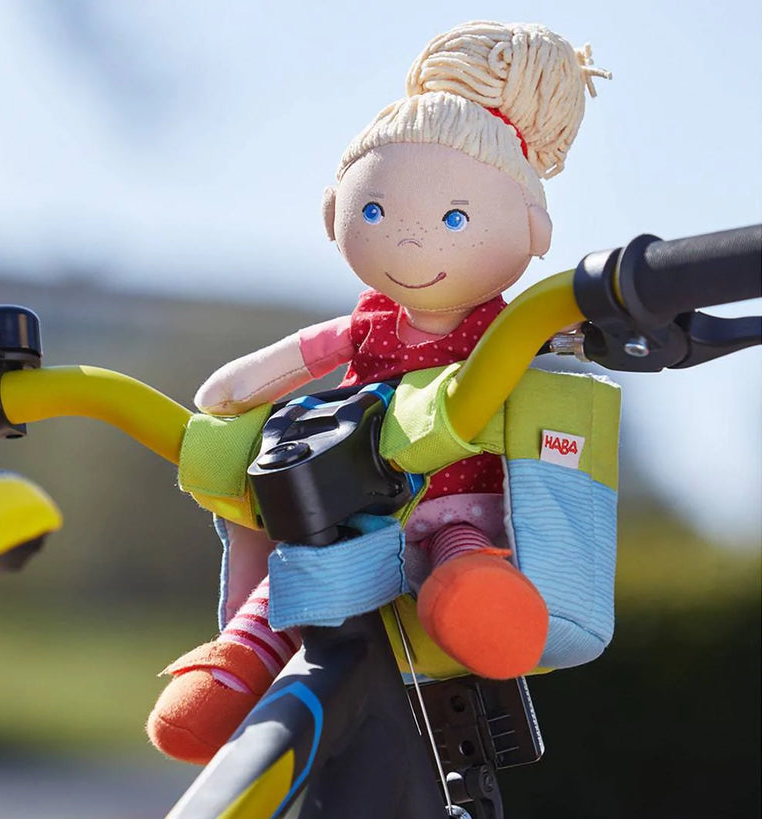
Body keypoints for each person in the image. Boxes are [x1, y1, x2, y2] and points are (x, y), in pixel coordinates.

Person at [148, 20, 609, 764]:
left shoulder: (509, 330)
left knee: (462, 555)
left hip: (464, 501)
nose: (413, 244)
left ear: (529, 227)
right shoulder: (365, 328)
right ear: (338, 212)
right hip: (360, 496)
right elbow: (249, 381)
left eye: (455, 219)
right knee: (293, 579)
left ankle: (476, 599)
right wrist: (228, 401)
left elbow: (560, 371)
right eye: (375, 212)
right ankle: (236, 664)